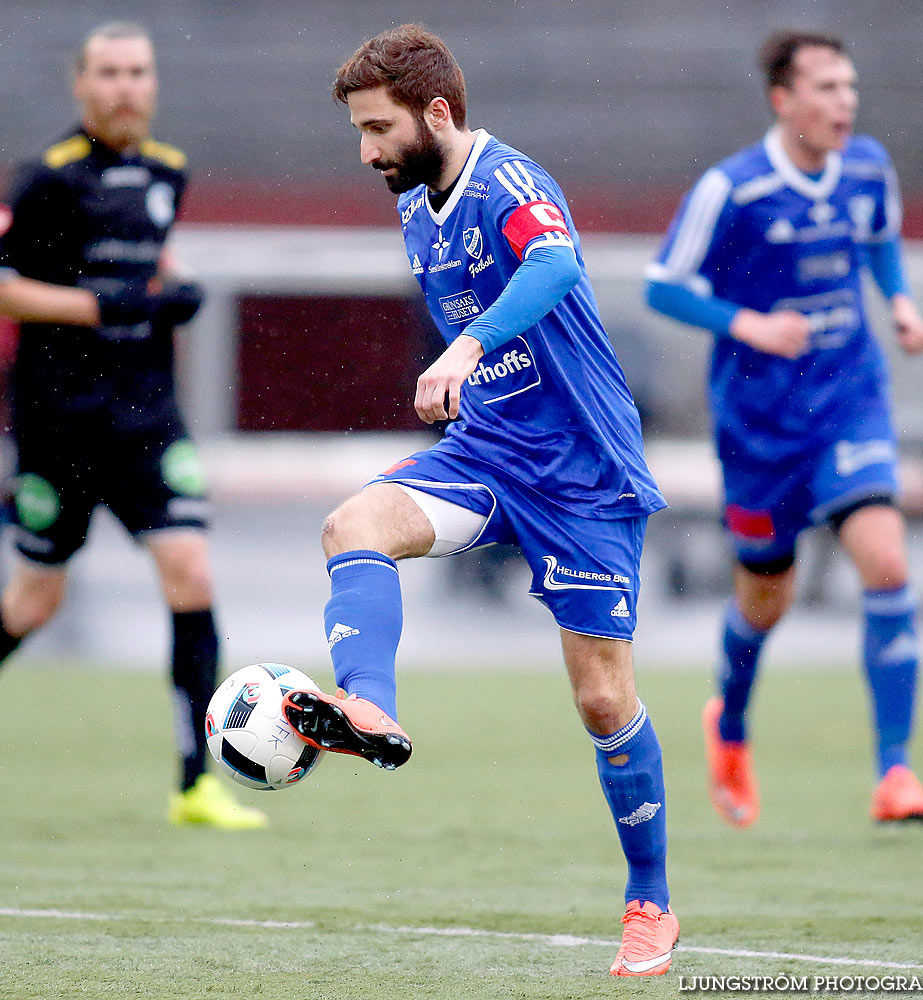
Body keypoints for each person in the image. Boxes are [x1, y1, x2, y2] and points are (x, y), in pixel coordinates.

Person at [281, 25, 678, 977]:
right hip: (491, 454)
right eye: (357, 132)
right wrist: (468, 374)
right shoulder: (419, 208)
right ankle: (368, 705)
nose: (366, 150)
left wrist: (462, 349)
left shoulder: (509, 183)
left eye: (376, 128)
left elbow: (553, 268)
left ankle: (650, 902)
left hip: (583, 475)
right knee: (353, 524)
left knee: (600, 697)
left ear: (438, 113)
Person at [0, 21, 266, 831]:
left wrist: (175, 287)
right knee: (36, 598)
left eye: (138, 71)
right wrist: (98, 307)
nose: (125, 87)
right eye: (108, 73)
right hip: (58, 422)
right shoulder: (47, 178)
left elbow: (149, 264)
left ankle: (194, 783)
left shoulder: (168, 172)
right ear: (80, 85)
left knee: (192, 574)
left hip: (146, 415)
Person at [646, 30, 923, 827]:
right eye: (826, 89)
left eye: (849, 87)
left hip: (850, 400)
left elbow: (880, 243)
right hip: (759, 429)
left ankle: (896, 773)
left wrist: (901, 302)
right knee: (764, 601)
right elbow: (664, 287)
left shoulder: (869, 168)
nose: (844, 102)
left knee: (884, 558)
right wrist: (748, 324)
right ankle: (730, 726)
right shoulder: (732, 190)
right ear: (785, 100)